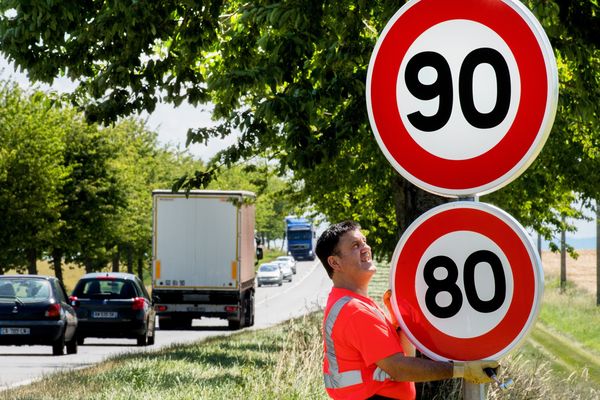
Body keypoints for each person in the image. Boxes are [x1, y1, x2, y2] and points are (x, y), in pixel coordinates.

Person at [316, 221, 498, 400]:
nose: (366, 248)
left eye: (364, 241)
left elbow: (403, 358)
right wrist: (461, 369)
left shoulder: (355, 304)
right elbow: (399, 369)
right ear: (334, 262)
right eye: (356, 245)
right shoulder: (355, 310)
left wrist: (401, 322)